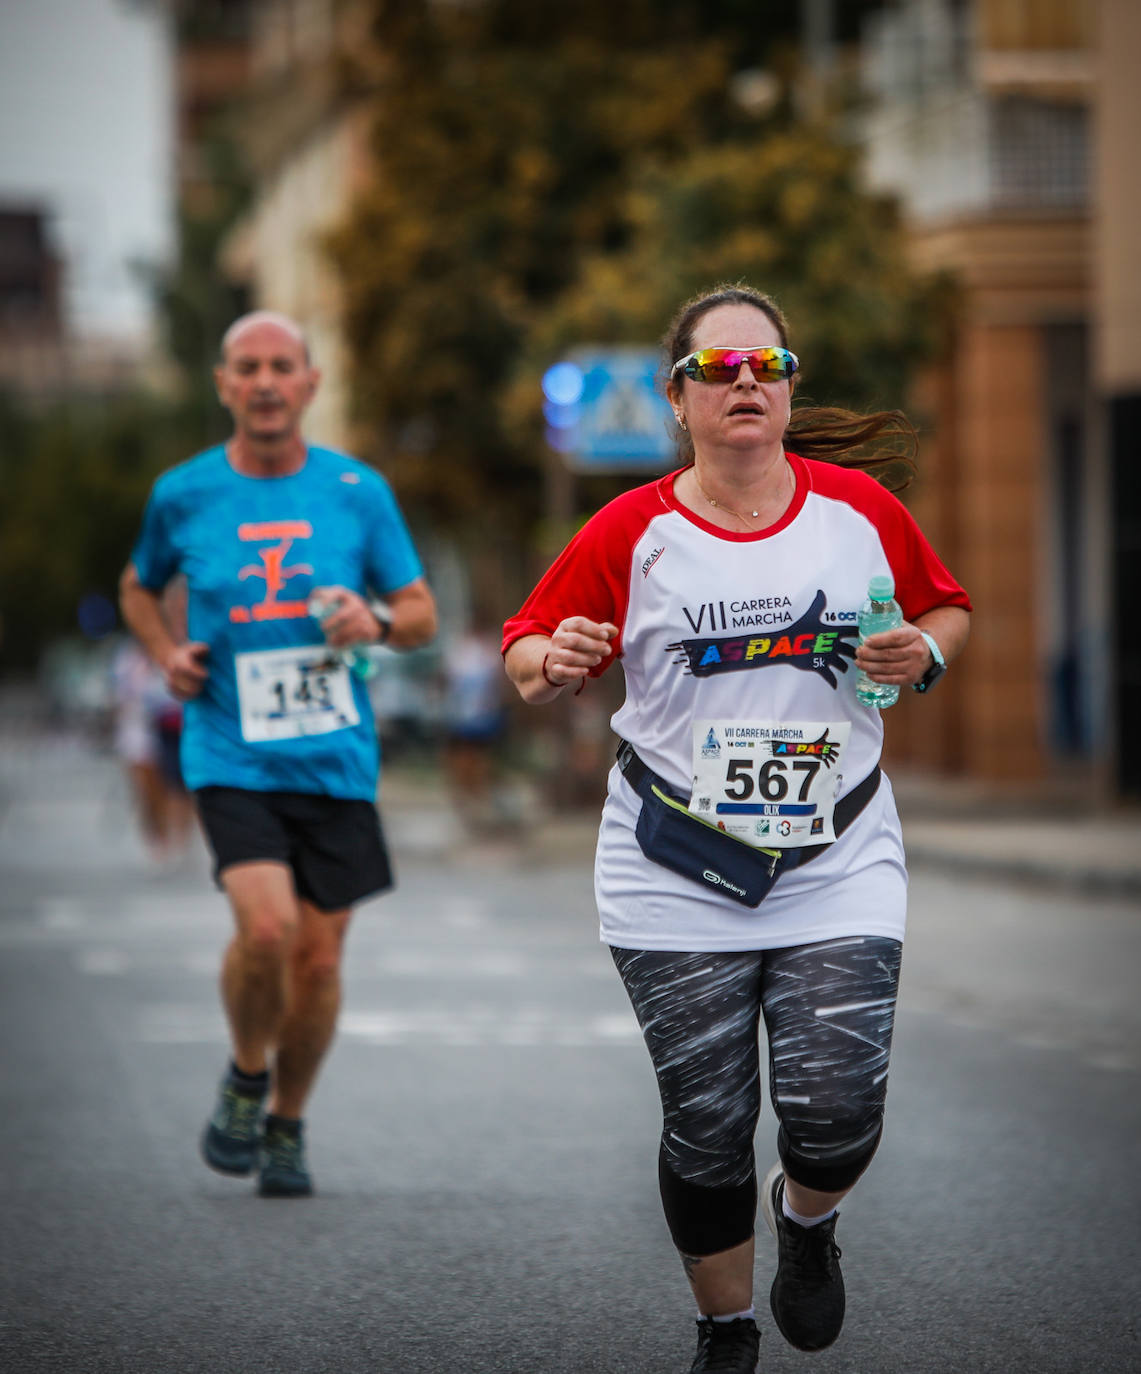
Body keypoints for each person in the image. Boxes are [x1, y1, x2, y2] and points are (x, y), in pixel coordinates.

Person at [503, 284, 970, 1373]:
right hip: (672, 860)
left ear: (791, 383)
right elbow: (529, 643)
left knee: (836, 1113)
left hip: (839, 851)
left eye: (767, 365)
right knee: (707, 1120)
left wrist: (927, 652)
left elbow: (942, 605)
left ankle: (806, 1224)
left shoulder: (856, 511)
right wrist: (553, 660)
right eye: (718, 370)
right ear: (679, 399)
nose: (745, 382)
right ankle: (725, 1332)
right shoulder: (632, 530)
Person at [120, 310, 437, 1198]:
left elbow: (420, 612)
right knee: (266, 929)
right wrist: (164, 653)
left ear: (309, 383)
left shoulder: (356, 490)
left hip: (336, 758)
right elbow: (137, 587)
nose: (264, 382)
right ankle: (246, 1071)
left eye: (280, 366)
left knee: (321, 961)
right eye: (246, 367)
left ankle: (287, 1122)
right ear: (223, 384)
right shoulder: (182, 493)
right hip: (231, 751)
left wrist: (373, 621)